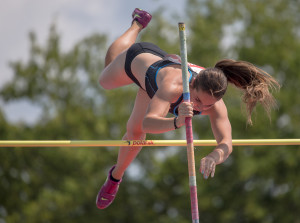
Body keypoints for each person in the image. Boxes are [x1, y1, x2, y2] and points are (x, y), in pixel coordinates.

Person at [96, 8, 280, 209]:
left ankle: (114, 179)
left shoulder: (216, 105)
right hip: (138, 60)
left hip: (153, 87)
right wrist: (176, 121)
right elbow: (149, 122)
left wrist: (213, 157)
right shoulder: (174, 86)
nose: (200, 107)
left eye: (207, 105)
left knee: (135, 133)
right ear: (191, 85)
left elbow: (226, 143)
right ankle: (137, 24)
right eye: (198, 100)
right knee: (106, 80)